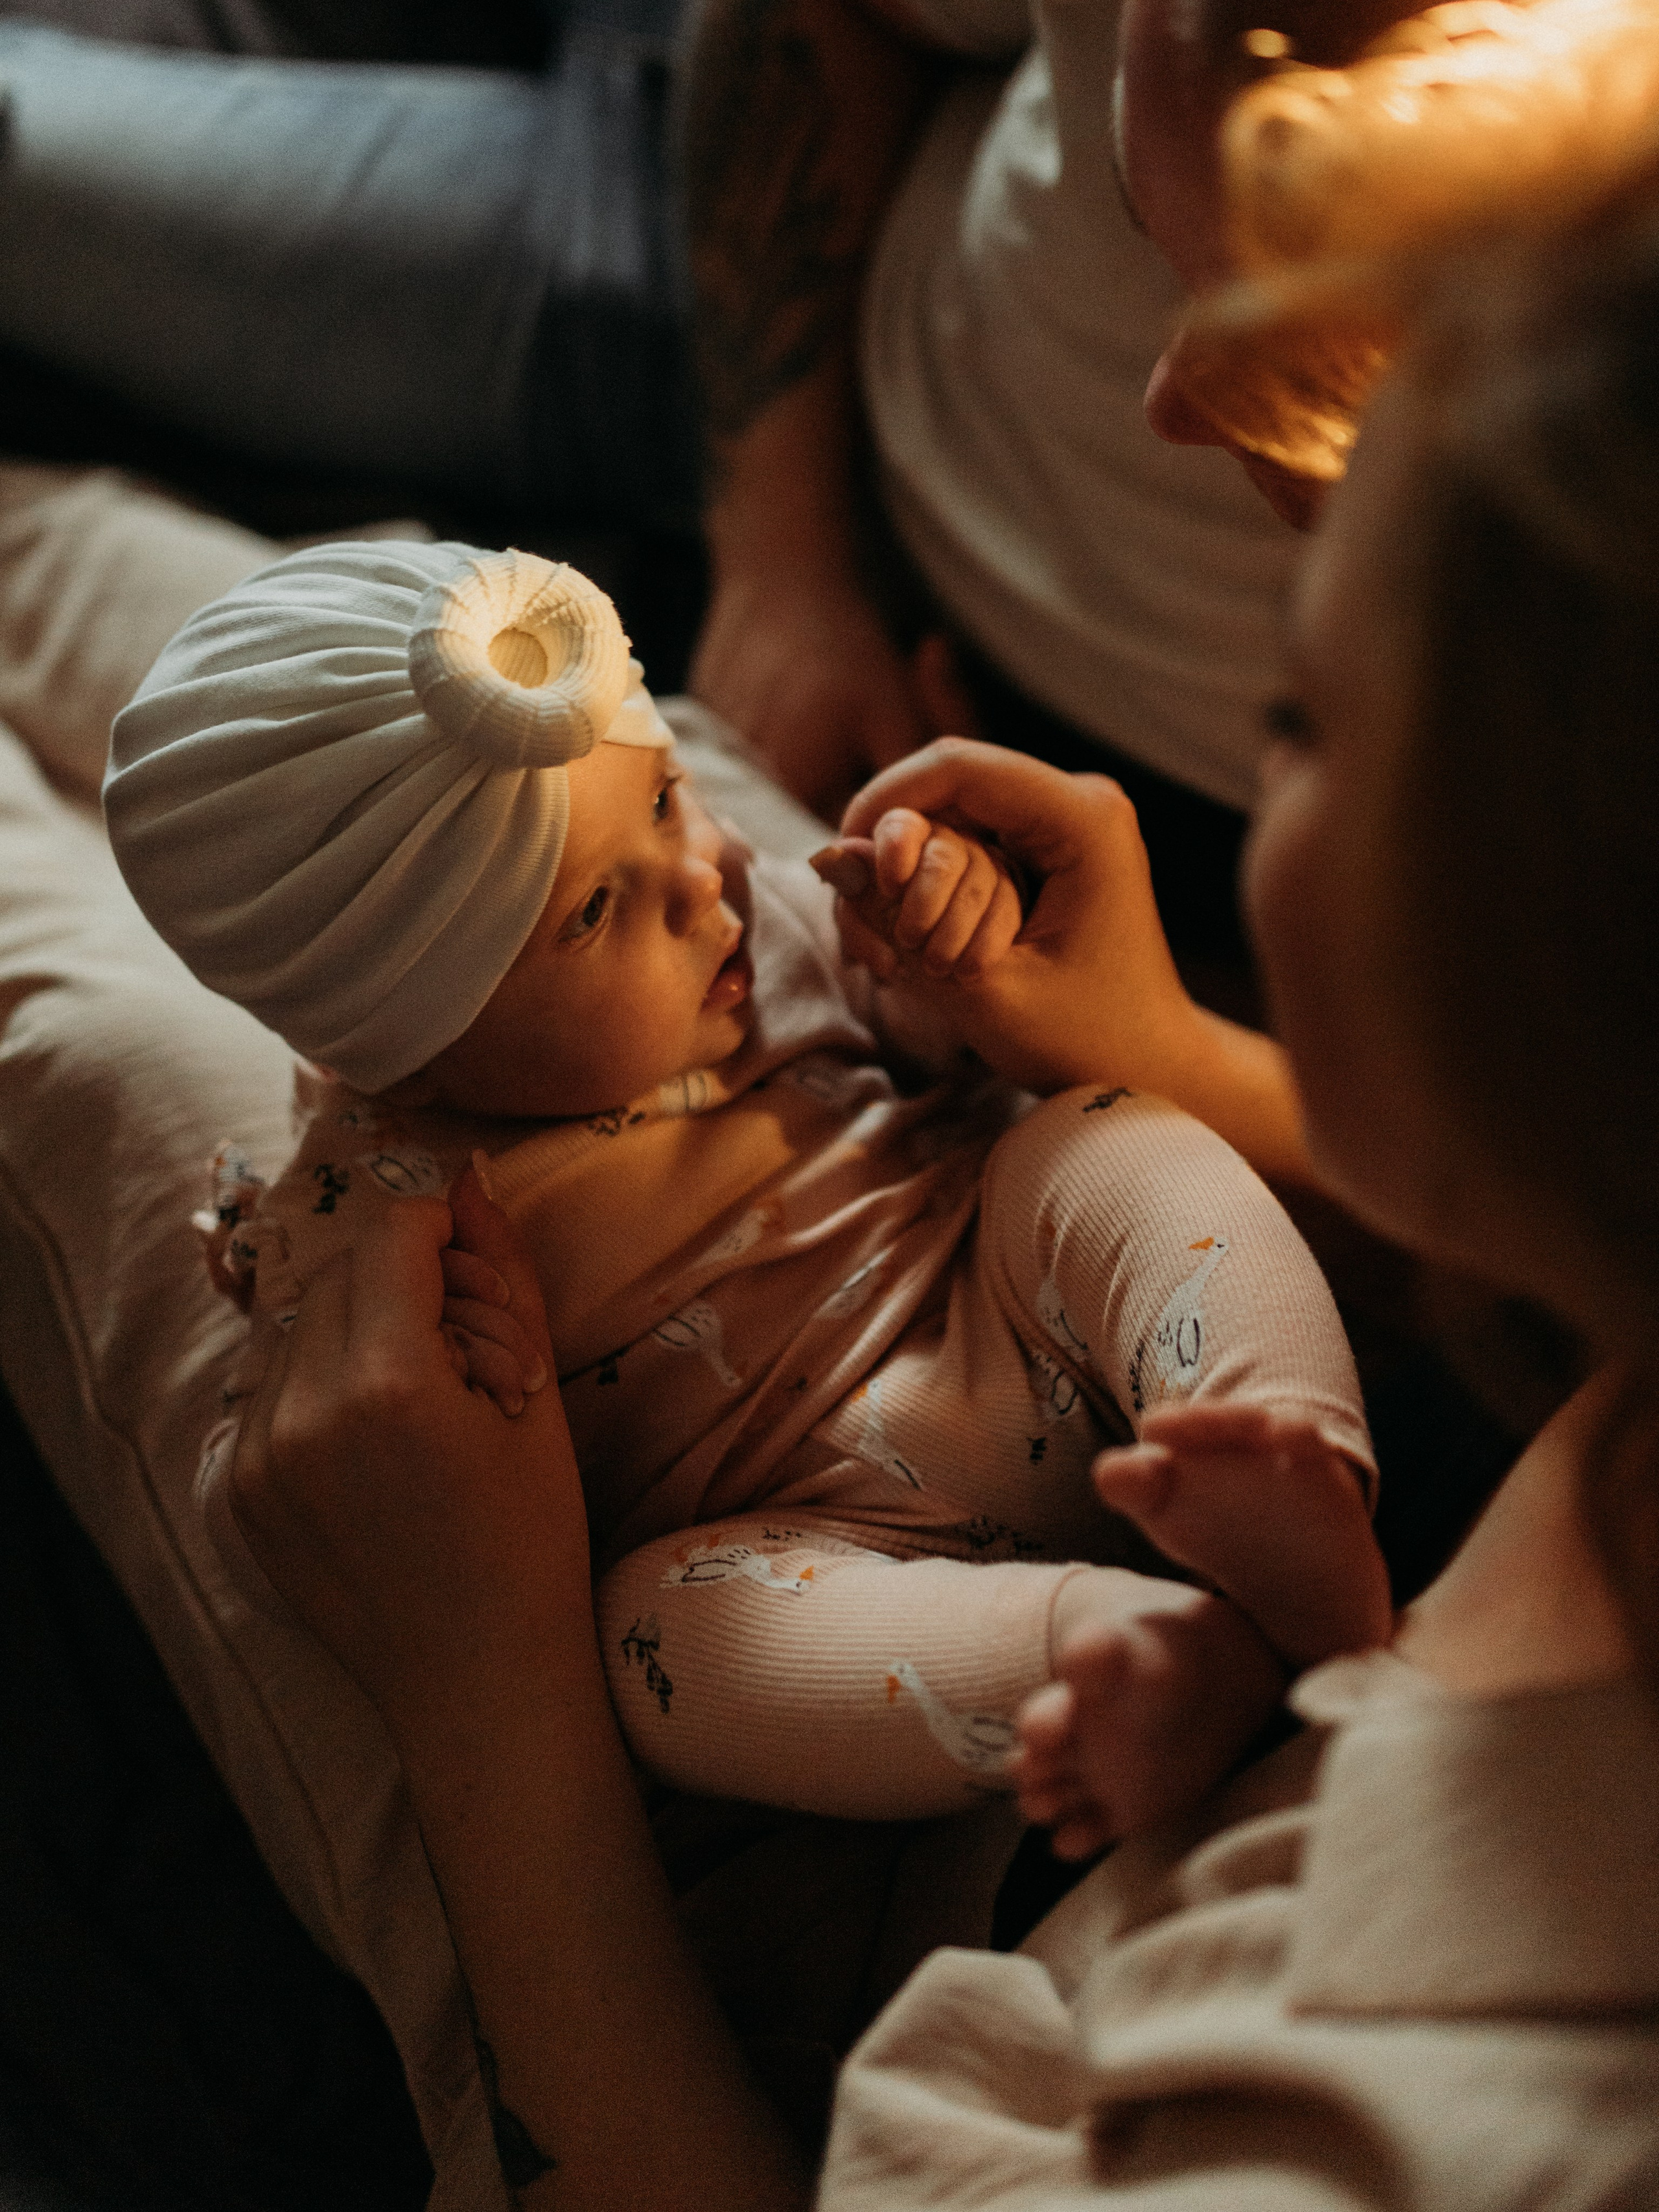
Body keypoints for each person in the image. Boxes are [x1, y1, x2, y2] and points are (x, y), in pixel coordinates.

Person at [222, 163, 1659, 2208]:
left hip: (766, 1599)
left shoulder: (1345, 2109)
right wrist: (1155, 1041)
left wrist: (486, 1695)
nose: (1173, 402)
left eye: (1301, 726)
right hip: (852, 1499)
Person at [102, 533, 1387, 1838]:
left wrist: (938, 953)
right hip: (803, 1532)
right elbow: (287, 1486)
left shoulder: (758, 921)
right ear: (400, 1056)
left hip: (1001, 1300)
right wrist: (463, 1370)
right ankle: (1117, 1658)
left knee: (1098, 1140)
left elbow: (943, 1041)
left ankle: (1273, 1453)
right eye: (597, 910)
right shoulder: (369, 1205)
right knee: (659, 1646)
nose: (701, 882)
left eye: (664, 800)